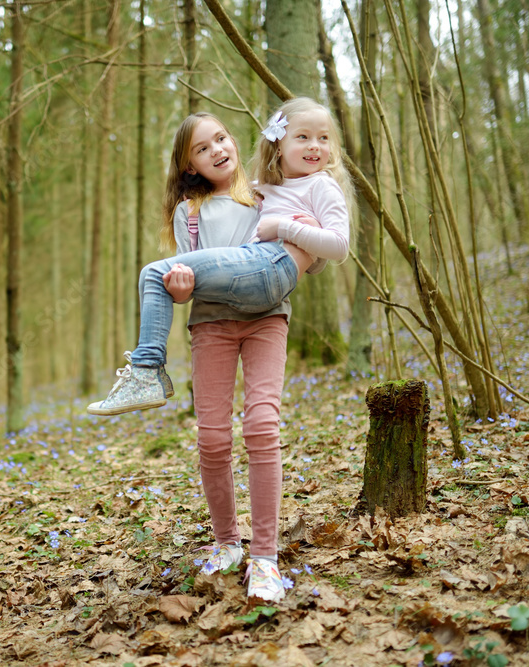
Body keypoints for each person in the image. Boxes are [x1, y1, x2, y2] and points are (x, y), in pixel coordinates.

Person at [88, 98, 354, 602]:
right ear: (189, 164)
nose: (216, 149)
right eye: (202, 148)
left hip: (265, 320)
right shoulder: (188, 214)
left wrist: (298, 246)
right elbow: (188, 283)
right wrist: (182, 286)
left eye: (222, 138)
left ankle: (266, 557)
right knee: (211, 438)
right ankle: (228, 543)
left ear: (237, 142)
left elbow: (308, 249)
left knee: (261, 425)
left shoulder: (263, 194)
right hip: (210, 324)